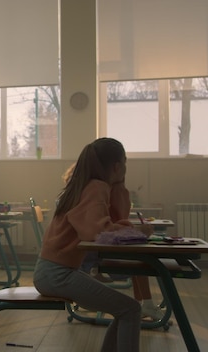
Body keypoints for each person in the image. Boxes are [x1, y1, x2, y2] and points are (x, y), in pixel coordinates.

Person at [34, 137, 153, 352]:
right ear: (117, 166)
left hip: (55, 272)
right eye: (125, 163)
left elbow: (114, 220)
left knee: (127, 309)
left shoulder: (89, 185)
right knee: (131, 310)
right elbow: (98, 233)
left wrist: (119, 188)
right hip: (57, 274)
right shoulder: (95, 187)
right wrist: (135, 231)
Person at [63, 162, 164, 322]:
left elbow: (114, 223)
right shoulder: (95, 193)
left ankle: (145, 303)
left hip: (91, 253)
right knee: (140, 257)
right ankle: (146, 303)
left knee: (139, 254)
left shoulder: (79, 193)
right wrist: (120, 186)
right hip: (91, 258)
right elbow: (116, 222)